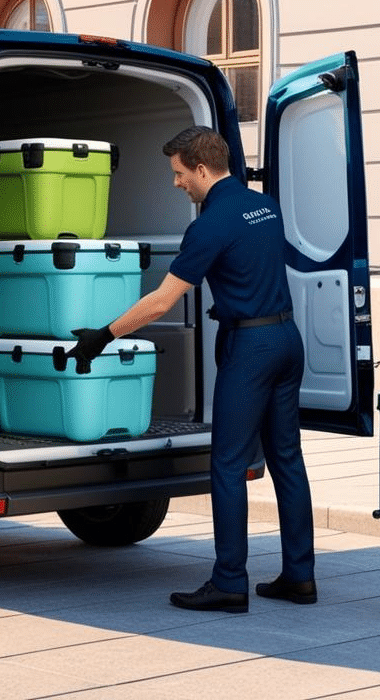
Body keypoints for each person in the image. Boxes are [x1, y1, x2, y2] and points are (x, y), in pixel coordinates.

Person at [68, 126, 316, 613]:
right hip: (288, 339)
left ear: (202, 169)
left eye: (180, 173)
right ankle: (300, 576)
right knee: (288, 459)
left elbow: (162, 302)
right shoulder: (264, 206)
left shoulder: (211, 224)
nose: (177, 183)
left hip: (251, 347)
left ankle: (228, 583)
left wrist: (102, 336)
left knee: (226, 463)